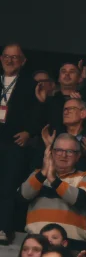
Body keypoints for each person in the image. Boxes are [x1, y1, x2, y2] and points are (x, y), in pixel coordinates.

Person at [21, 134, 86, 244]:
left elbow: (82, 199)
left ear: (78, 156)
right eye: (58, 150)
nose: (63, 155)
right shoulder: (38, 175)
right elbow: (22, 196)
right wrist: (43, 173)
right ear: (51, 152)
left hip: (70, 244)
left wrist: (53, 180)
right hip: (36, 242)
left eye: (70, 151)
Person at [0, 44, 40, 244]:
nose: (9, 60)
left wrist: (29, 132)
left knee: (8, 187)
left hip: (13, 142)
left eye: (15, 57)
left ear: (23, 61)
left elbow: (37, 113)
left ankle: (4, 228)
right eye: (6, 56)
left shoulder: (29, 85)